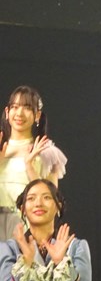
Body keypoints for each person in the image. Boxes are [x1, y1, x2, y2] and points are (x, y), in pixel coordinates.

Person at [0, 178, 91, 281]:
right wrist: (26, 264)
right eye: (31, 198)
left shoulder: (76, 246)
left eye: (47, 197)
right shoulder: (9, 249)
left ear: (58, 206)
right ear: (22, 209)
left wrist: (61, 263)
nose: (38, 203)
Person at [0, 86, 67, 241]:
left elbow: (52, 202)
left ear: (37, 115)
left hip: (25, 229)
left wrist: (30, 166)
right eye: (15, 107)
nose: (19, 113)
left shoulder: (46, 152)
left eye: (27, 108)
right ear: (7, 112)